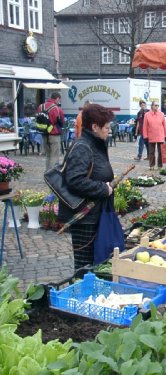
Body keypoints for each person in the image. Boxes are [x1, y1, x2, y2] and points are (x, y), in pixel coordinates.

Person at [57, 104, 115, 270]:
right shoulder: (83, 147)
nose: (109, 131)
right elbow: (75, 180)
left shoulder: (95, 143)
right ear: (94, 127)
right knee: (85, 267)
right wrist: (103, 189)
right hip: (85, 219)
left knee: (97, 264)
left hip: (96, 214)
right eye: (106, 127)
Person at [38, 92, 65, 171]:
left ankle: (46, 173)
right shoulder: (57, 108)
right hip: (54, 134)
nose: (59, 101)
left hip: (44, 133)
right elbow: (61, 121)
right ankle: (51, 175)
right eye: (59, 100)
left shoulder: (40, 106)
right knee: (54, 156)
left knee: (48, 155)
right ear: (57, 98)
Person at [143, 100, 166, 170]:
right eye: (155, 105)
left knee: (161, 152)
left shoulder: (162, 114)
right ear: (152, 106)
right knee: (151, 152)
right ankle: (152, 165)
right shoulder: (147, 115)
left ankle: (160, 166)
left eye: (158, 105)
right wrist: (145, 136)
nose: (157, 107)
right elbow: (144, 127)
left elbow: (165, 126)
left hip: (160, 135)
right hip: (151, 136)